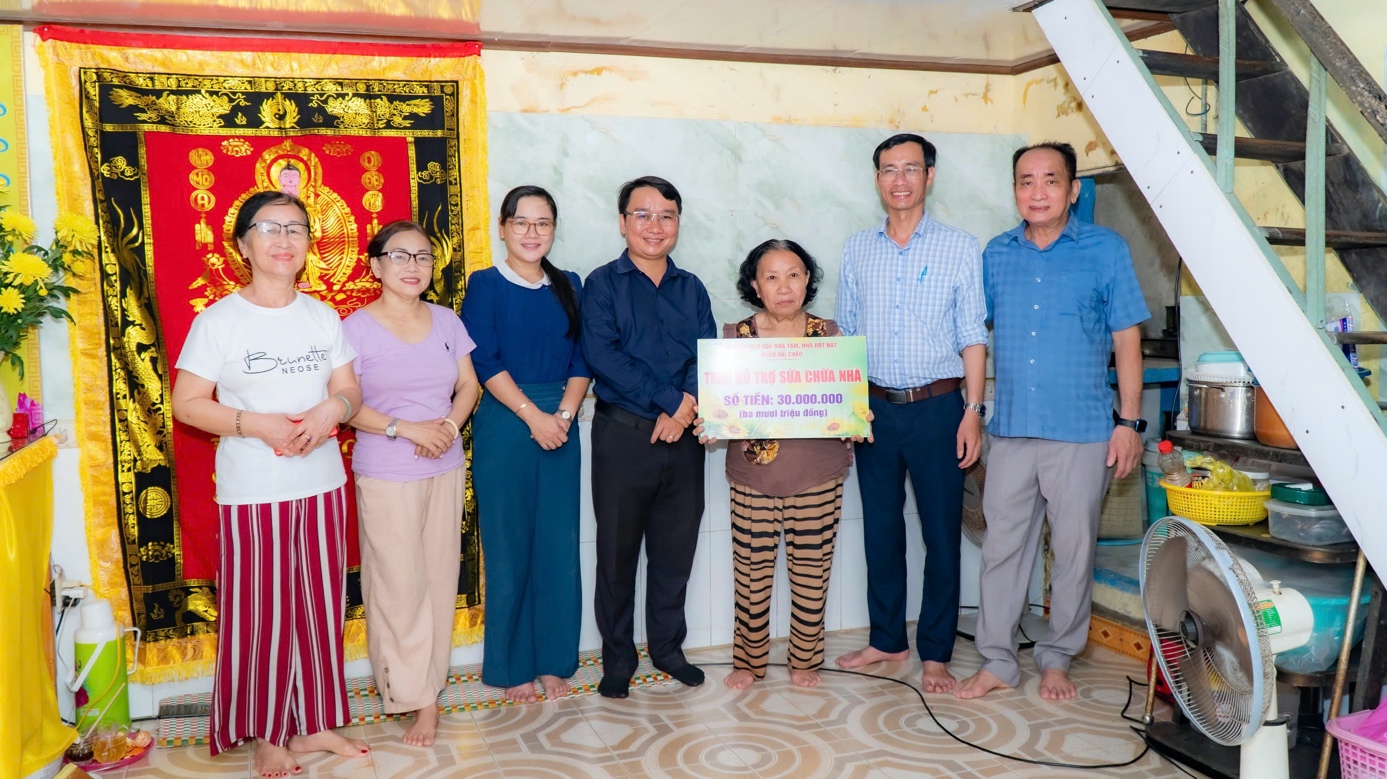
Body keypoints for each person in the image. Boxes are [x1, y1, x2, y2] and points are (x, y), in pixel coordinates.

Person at [171, 190, 368, 778]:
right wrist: (257, 425)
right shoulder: (219, 320)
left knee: (320, 607)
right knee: (260, 616)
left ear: (309, 243)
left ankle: (313, 723)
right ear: (243, 245)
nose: (284, 239)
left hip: (323, 484)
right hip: (255, 491)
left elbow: (350, 390)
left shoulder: (322, 316)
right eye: (269, 228)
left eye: (296, 229)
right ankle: (267, 733)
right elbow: (187, 403)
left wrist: (333, 409)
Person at [955, 142, 1148, 702]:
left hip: (1083, 431)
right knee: (1002, 550)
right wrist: (971, 409)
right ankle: (997, 660)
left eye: (1050, 180)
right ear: (1014, 190)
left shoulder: (1106, 250)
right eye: (1025, 181)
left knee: (1072, 551)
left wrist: (1130, 423)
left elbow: (1127, 340)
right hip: (1012, 429)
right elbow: (973, 335)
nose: (1037, 192)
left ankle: (1057, 657)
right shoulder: (996, 254)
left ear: (1073, 189)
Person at [835, 133, 988, 694]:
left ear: (930, 175)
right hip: (874, 409)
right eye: (888, 170)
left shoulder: (959, 247)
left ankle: (936, 653)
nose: (899, 180)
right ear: (877, 179)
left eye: (910, 168)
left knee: (941, 535)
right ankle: (886, 639)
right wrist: (849, 410)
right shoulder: (857, 248)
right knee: (881, 530)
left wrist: (972, 412)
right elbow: (847, 334)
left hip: (939, 409)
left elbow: (973, 335)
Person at [695, 240, 857, 690]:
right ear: (755, 285)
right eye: (771, 277)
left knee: (812, 574)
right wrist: (712, 421)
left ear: (807, 281)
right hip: (753, 477)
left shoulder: (831, 337)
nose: (784, 287)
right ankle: (748, 662)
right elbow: (719, 406)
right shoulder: (734, 340)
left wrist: (857, 418)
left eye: (794, 275)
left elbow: (848, 402)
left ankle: (805, 659)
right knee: (750, 576)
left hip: (817, 475)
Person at [343, 220, 479, 745]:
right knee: (397, 587)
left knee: (439, 582)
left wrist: (446, 427)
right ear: (375, 266)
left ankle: (429, 693)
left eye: (423, 256)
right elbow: (347, 404)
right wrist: (406, 428)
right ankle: (411, 695)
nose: (413, 266)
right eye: (399, 256)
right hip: (387, 472)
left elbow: (468, 385)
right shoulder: (353, 329)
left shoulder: (446, 321)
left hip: (444, 465)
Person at [581, 175, 716, 699]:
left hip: (683, 442)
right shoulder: (601, 284)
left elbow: (707, 354)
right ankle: (618, 658)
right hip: (623, 437)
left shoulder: (692, 287)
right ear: (623, 222)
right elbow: (603, 356)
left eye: (666, 216)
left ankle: (668, 649)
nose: (654, 226)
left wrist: (684, 409)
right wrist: (670, 402)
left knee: (674, 552)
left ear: (678, 223)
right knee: (616, 556)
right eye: (642, 214)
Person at [461, 186, 590, 704]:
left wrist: (563, 416)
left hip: (562, 423)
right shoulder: (485, 284)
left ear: (554, 229)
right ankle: (512, 665)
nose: (532, 233)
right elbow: (484, 360)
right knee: (509, 546)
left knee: (559, 546)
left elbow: (583, 357)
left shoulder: (570, 284)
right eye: (521, 222)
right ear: (502, 227)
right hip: (506, 422)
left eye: (543, 223)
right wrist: (534, 417)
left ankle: (555, 659)